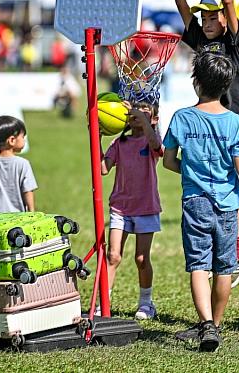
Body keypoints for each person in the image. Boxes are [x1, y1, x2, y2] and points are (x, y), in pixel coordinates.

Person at [162, 52, 239, 352]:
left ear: (196, 82)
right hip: (228, 204)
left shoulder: (182, 118)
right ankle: (216, 326)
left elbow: (169, 161)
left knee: (198, 265)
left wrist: (191, 169)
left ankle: (205, 324)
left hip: (194, 201)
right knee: (224, 268)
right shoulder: (236, 123)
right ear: (227, 86)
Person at [175, 0, 239, 288]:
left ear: (225, 19)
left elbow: (228, 0)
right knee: (216, 185)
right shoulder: (199, 39)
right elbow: (181, 4)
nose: (208, 20)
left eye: (214, 16)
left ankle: (236, 254)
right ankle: (220, 248)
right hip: (214, 120)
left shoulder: (231, 40)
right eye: (205, 16)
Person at [101, 101, 163, 321]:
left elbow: (159, 147)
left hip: (145, 207)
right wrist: (97, 136)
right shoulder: (120, 143)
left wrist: (146, 123)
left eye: (145, 113)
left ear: (153, 120)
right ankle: (104, 304)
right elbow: (103, 169)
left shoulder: (151, 141)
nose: (137, 115)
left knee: (141, 258)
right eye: (134, 112)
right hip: (120, 207)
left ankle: (146, 303)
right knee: (113, 256)